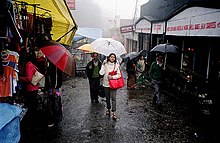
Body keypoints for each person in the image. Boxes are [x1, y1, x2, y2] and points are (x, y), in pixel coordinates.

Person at [19, 52, 40, 127]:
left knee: (31, 107)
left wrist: (20, 78)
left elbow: (29, 79)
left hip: (31, 89)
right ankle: (34, 122)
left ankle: (32, 123)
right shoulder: (32, 65)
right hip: (34, 88)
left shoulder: (28, 65)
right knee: (33, 106)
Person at [99, 53, 121, 120]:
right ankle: (108, 109)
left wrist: (112, 77)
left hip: (114, 84)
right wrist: (103, 65)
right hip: (106, 84)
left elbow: (119, 75)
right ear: (108, 57)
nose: (112, 58)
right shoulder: (105, 64)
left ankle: (114, 112)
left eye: (113, 57)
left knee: (113, 98)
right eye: (111, 57)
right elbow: (101, 73)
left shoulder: (116, 65)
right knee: (107, 98)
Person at [45, 61, 63, 127]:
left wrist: (54, 88)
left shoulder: (55, 66)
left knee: (54, 104)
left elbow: (56, 78)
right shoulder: (54, 66)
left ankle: (55, 119)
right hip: (53, 88)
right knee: (54, 103)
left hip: (54, 88)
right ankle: (57, 118)